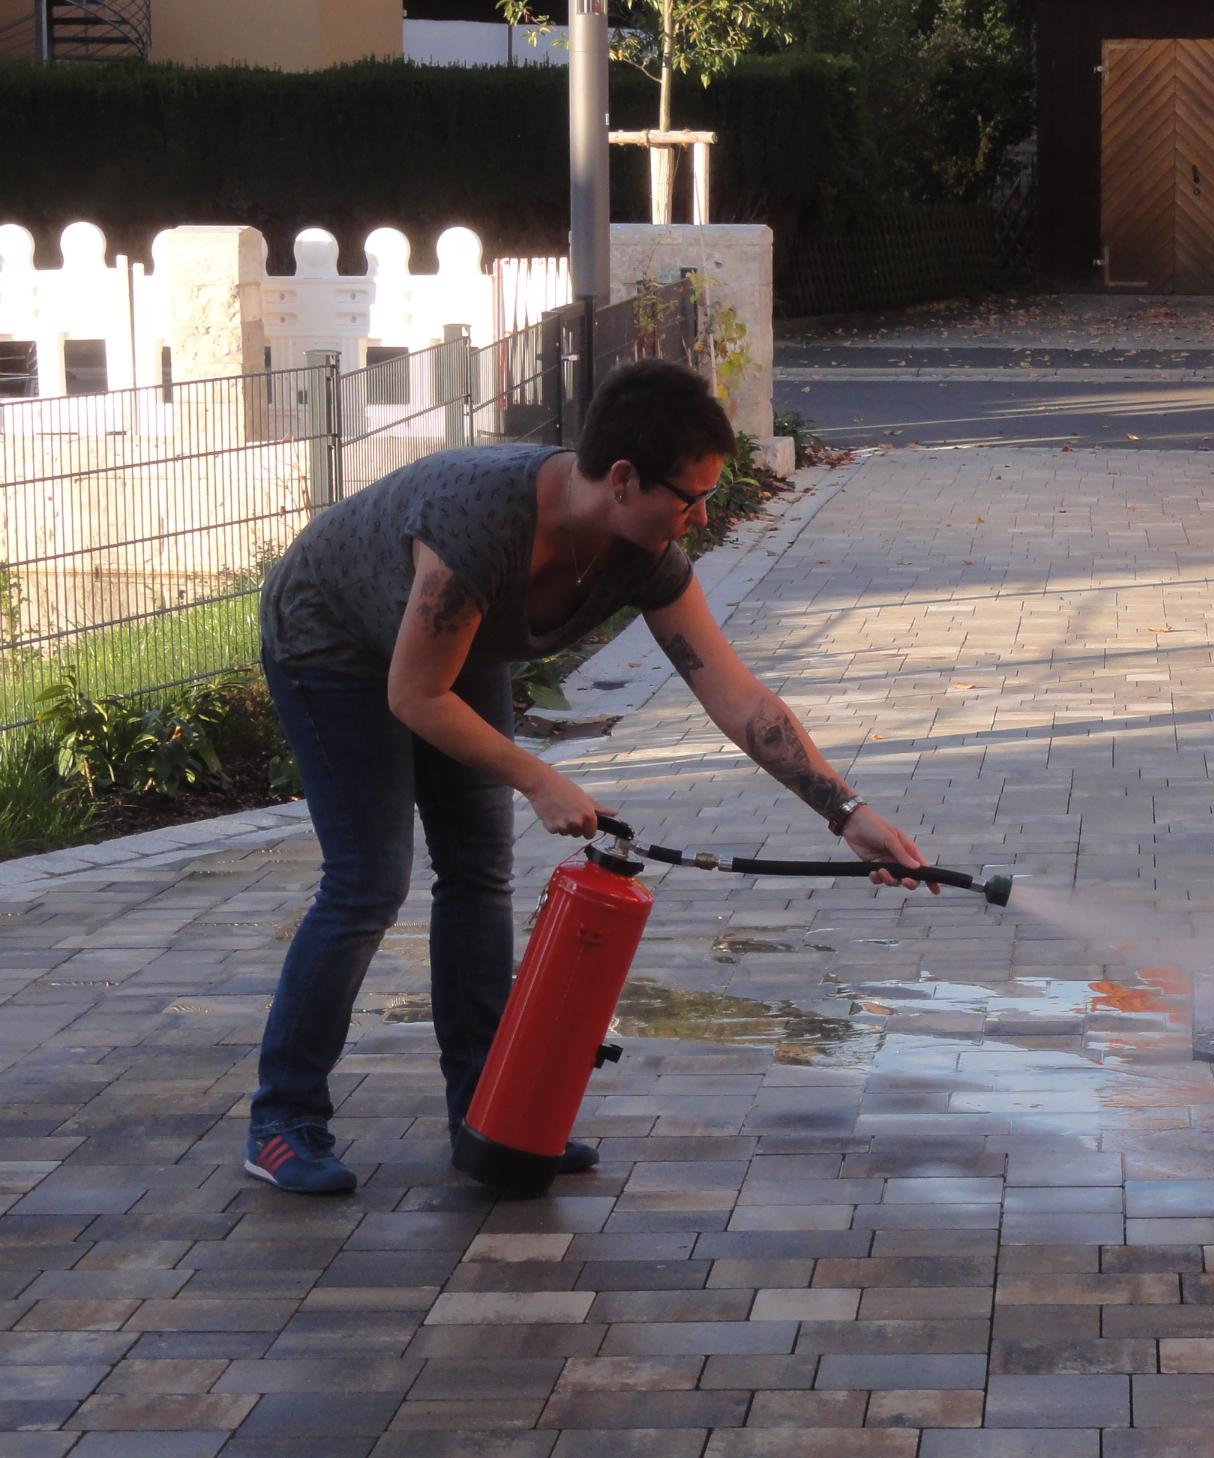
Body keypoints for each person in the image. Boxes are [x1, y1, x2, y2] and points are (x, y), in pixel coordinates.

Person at [248, 359, 930, 1194]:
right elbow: (411, 694)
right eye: (688, 497)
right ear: (622, 479)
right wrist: (539, 779)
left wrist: (845, 811)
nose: (703, 515)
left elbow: (734, 691)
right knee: (368, 881)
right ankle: (284, 1121)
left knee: (478, 875)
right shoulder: (477, 523)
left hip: (454, 654)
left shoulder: (639, 550)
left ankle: (489, 1117)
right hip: (337, 644)